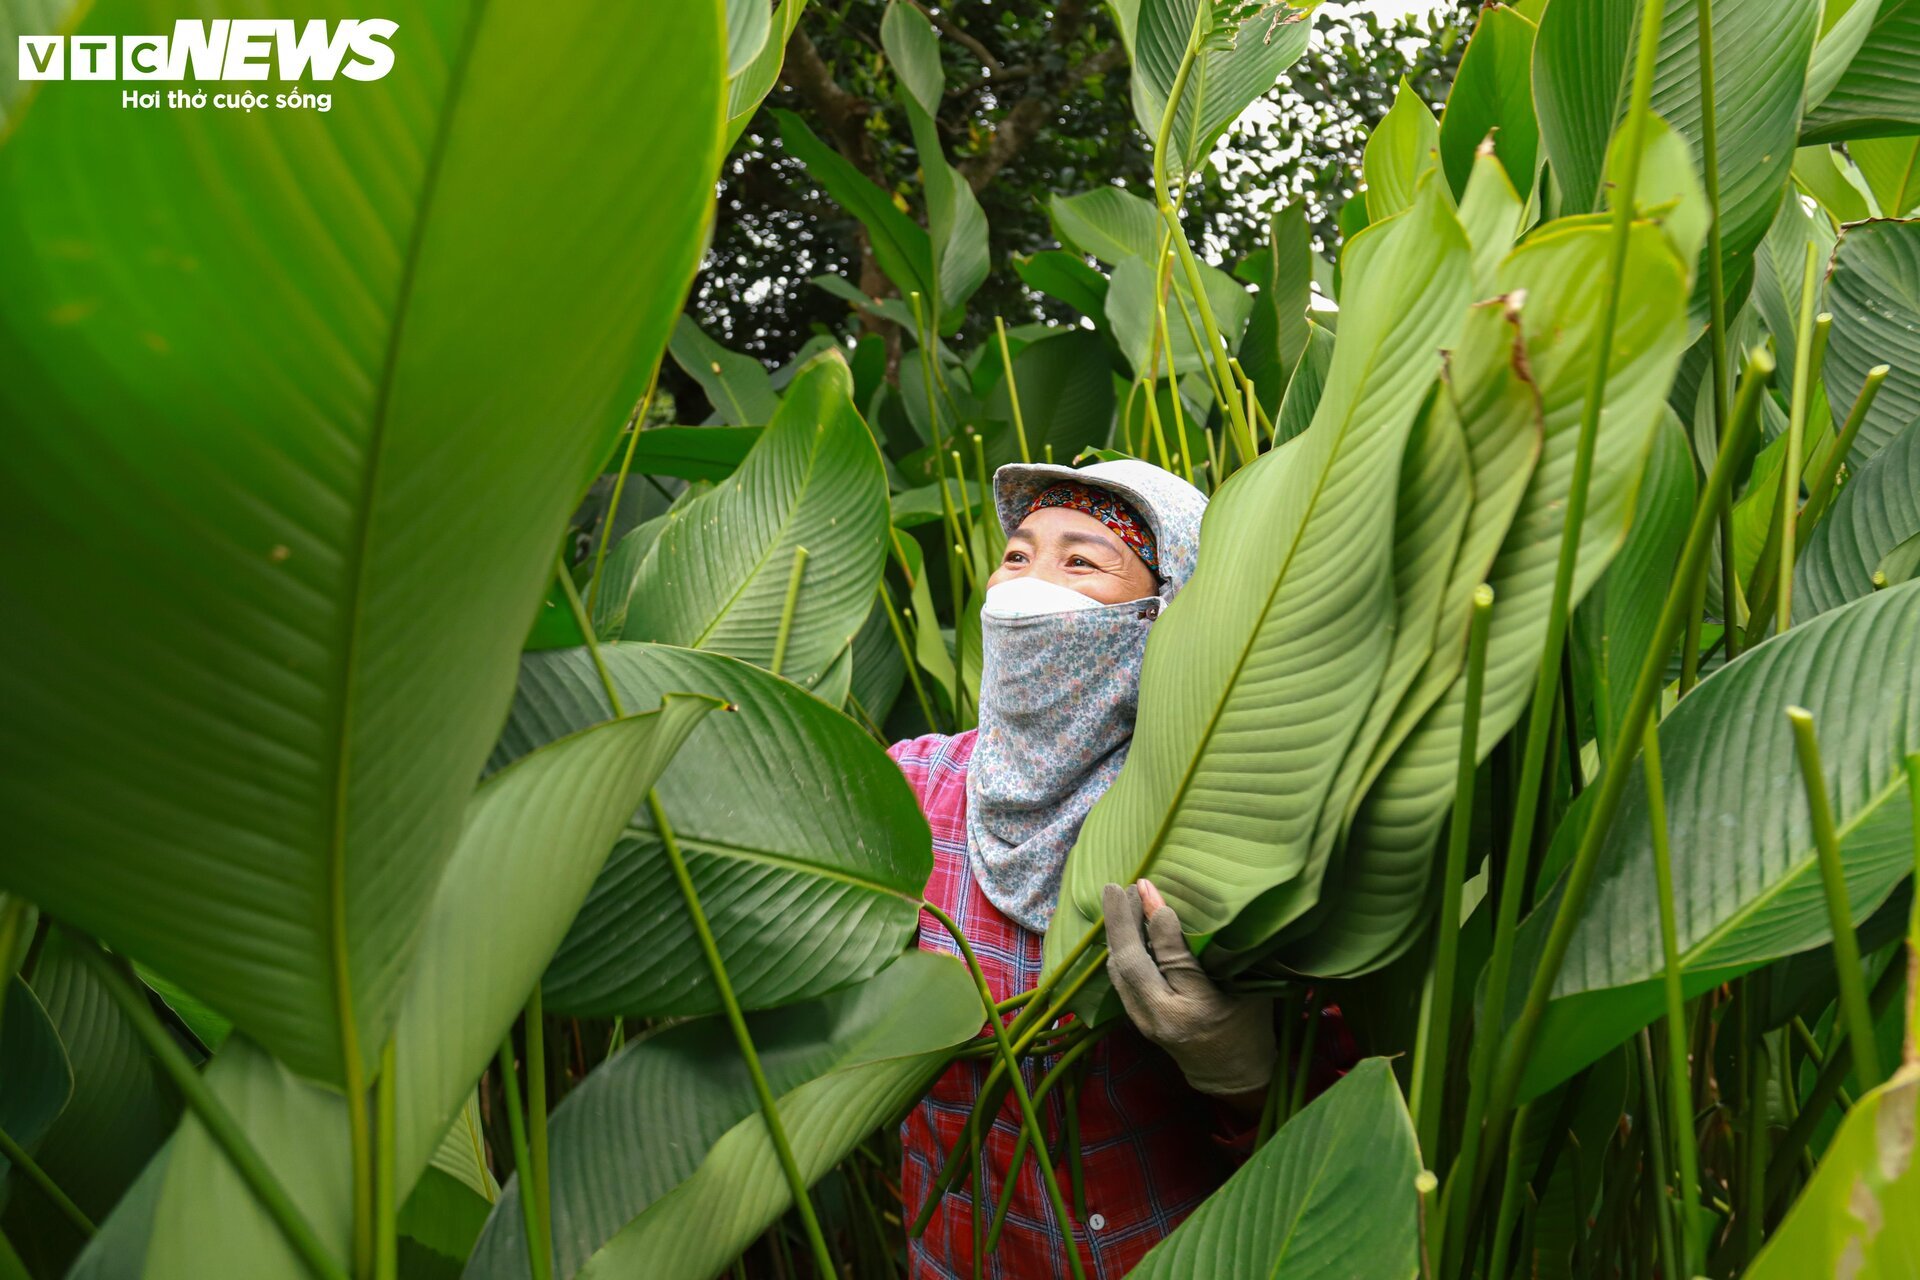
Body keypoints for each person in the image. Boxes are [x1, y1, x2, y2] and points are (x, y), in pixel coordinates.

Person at [890, 460, 1342, 1278]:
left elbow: (1337, 1154)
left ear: (1163, 614)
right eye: (1018, 557)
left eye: (1082, 562)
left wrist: (1241, 1071)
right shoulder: (912, 791)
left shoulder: (1226, 828)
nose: (1027, 590)